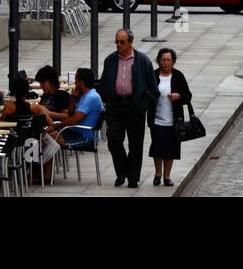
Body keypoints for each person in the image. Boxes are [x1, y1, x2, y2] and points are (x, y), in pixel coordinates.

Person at [99, 28, 159, 187]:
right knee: (114, 140)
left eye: (122, 42)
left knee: (135, 144)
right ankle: (122, 171)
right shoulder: (110, 60)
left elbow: (153, 88)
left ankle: (133, 177)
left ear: (130, 43)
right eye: (116, 41)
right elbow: (104, 82)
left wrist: (144, 102)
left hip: (135, 106)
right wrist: (107, 97)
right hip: (116, 105)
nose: (118, 44)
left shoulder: (143, 60)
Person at [148, 47, 193, 187]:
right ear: (159, 61)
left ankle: (167, 176)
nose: (166, 63)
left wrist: (178, 96)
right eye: (163, 60)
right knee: (157, 147)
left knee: (171, 149)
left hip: (174, 120)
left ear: (173, 62)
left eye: (169, 60)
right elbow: (146, 93)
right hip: (156, 119)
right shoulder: (153, 75)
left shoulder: (178, 76)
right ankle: (158, 174)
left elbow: (188, 96)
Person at [49, 67, 104, 150]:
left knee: (50, 137)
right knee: (48, 136)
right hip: (75, 132)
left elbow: (74, 120)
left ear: (81, 82)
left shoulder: (90, 97)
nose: (74, 82)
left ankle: (38, 161)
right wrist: (72, 98)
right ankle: (39, 160)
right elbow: (71, 114)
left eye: (76, 79)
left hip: (85, 138)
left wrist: (56, 125)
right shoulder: (84, 95)